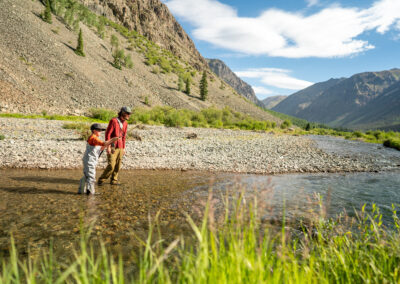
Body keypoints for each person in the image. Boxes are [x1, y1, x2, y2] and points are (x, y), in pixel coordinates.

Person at [78, 123, 119, 195]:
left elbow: (101, 147)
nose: (100, 132)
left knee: (87, 175)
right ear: (94, 131)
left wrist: (110, 144)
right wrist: (113, 139)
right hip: (89, 160)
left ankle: (81, 191)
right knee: (91, 176)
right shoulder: (93, 138)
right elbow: (103, 143)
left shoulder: (94, 138)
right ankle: (91, 193)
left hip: (89, 160)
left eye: (101, 130)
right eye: (99, 130)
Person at [98, 106, 131, 186]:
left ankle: (114, 180)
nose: (129, 115)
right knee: (111, 166)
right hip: (112, 146)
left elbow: (124, 137)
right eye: (127, 113)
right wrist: (108, 147)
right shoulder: (113, 121)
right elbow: (108, 134)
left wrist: (123, 148)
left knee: (118, 165)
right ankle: (101, 180)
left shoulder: (125, 124)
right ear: (123, 113)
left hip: (120, 147)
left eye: (129, 114)